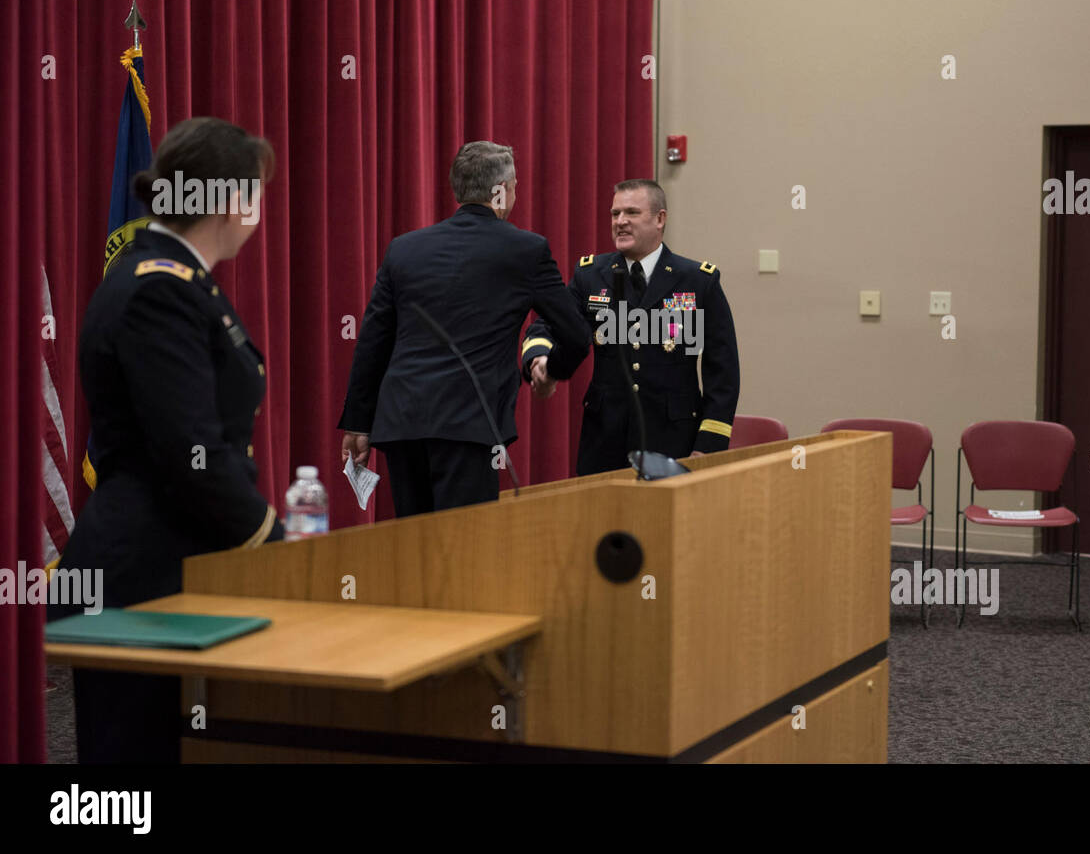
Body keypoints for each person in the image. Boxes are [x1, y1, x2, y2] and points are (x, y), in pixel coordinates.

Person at [50, 116, 284, 763]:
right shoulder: (160, 288)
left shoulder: (177, 278)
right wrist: (275, 542)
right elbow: (190, 455)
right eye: (257, 191)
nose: (260, 207)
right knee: (136, 767)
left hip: (174, 560)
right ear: (229, 199)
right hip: (145, 569)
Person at [338, 141, 589, 515]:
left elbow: (374, 340)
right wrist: (550, 373)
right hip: (470, 427)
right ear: (502, 192)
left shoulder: (404, 249)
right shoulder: (526, 250)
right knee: (465, 552)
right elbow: (576, 335)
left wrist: (358, 423)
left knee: (413, 547)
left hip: (403, 425)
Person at [523, 179, 740, 475]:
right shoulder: (591, 275)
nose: (620, 222)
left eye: (632, 213)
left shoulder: (698, 281)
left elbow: (722, 372)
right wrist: (540, 360)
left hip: (674, 440)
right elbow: (549, 324)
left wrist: (709, 444)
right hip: (604, 441)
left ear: (660, 219)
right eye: (615, 214)